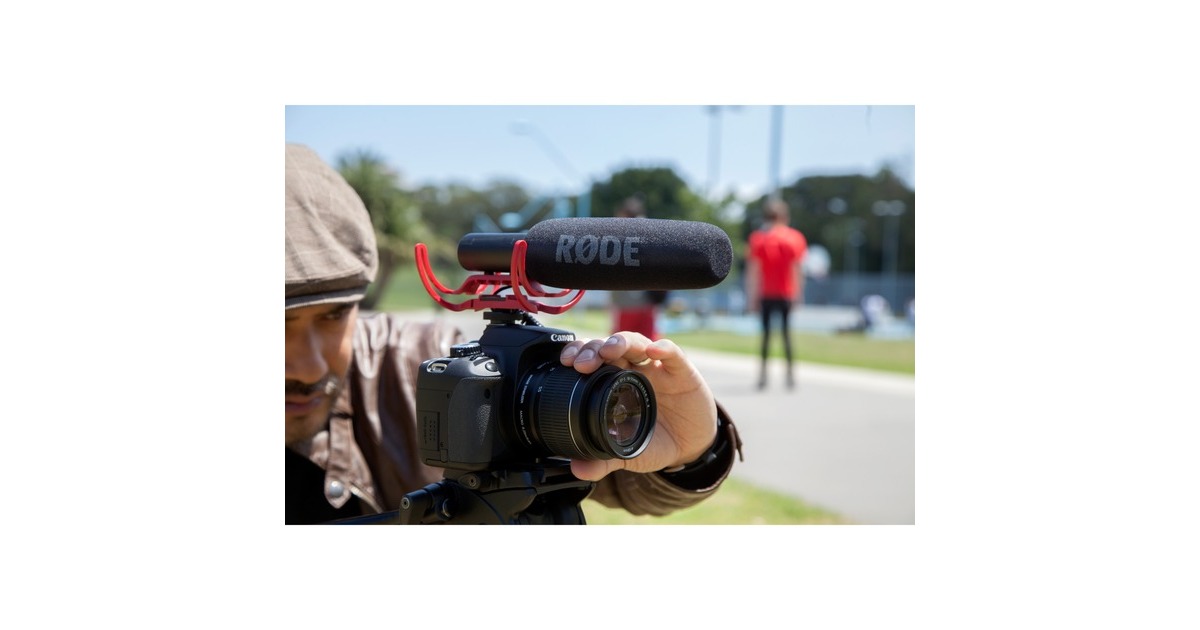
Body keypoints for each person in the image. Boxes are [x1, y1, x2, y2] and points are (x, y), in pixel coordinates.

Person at [285, 144, 742, 524]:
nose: (309, 366)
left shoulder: (423, 362)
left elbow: (624, 480)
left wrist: (692, 450)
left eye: (333, 316)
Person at [745, 198, 808, 390]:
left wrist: (752, 297)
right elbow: (797, 270)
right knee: (786, 335)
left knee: (765, 336)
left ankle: (763, 376)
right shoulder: (795, 238)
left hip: (766, 294)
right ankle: (790, 375)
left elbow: (753, 272)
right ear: (785, 217)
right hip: (786, 293)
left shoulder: (758, 239)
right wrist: (798, 294)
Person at [608, 196, 666, 340]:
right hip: (635, 305)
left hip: (637, 305)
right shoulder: (651, 236)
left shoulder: (625, 237)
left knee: (627, 345)